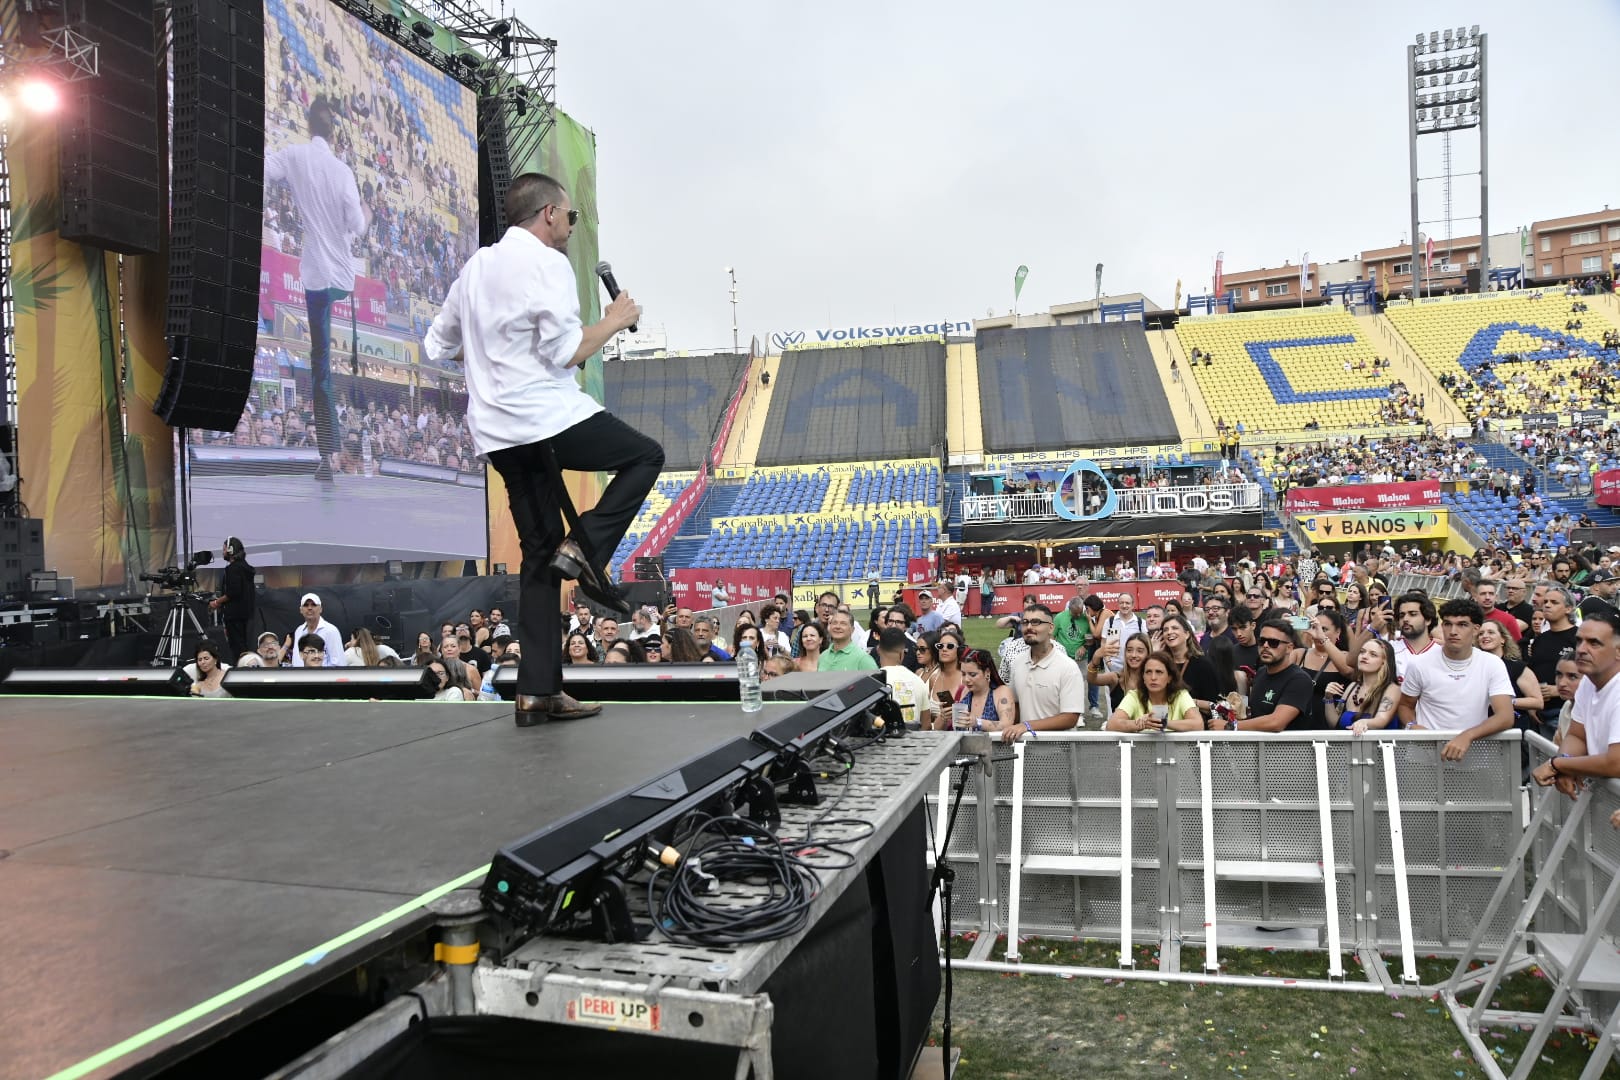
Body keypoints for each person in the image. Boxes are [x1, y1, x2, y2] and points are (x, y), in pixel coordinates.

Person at [426, 171, 659, 727]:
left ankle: (536, 692)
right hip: (547, 419)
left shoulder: (476, 267)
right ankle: (585, 548)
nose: (573, 227)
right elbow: (562, 354)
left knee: (537, 559)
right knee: (645, 456)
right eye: (571, 217)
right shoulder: (547, 264)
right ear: (549, 214)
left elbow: (438, 344)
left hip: (498, 433)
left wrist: (489, 361)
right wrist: (614, 320)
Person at [265, 96, 367, 484]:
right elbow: (356, 225)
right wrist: (363, 217)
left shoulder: (295, 155)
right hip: (342, 278)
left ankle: (328, 452)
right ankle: (346, 441)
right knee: (331, 360)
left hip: (315, 278)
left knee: (321, 361)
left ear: (309, 127)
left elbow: (267, 168)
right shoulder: (342, 171)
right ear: (334, 132)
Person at [1397, 598, 1515, 760]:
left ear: (1475, 629)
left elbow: (1505, 716)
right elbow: (1405, 705)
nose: (1453, 631)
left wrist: (1467, 736)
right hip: (1425, 756)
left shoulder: (1492, 664)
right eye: (1447, 624)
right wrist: (1412, 725)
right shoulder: (1419, 664)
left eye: (1462, 625)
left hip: (1473, 756)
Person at [1533, 610, 1620, 789]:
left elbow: (1616, 763)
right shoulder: (1588, 682)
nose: (1581, 649)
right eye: (1579, 640)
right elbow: (1576, 735)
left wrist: (1557, 765)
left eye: (1594, 643)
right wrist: (1565, 765)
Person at [1000, 604, 1085, 742]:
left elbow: (1070, 718)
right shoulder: (1017, 663)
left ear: (1051, 628)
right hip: (1024, 748)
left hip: (1059, 751)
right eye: (1025, 622)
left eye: (1036, 622)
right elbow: (1016, 704)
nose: (1029, 627)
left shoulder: (1068, 667)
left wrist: (1027, 726)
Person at [1234, 618, 1317, 732]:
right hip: (1258, 747)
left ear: (1289, 648)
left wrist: (1231, 726)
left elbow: (1276, 722)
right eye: (1262, 641)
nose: (1265, 646)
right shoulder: (1261, 673)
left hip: (1288, 748)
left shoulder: (1299, 680)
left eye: (1273, 643)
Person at [1106, 651, 1202, 733]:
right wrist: (1140, 724)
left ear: (1169, 677)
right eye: (1148, 672)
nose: (1153, 678)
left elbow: (1198, 725)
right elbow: (1111, 725)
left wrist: (1163, 723)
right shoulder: (1134, 696)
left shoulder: (1181, 695)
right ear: (1143, 677)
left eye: (1159, 672)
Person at [1323, 639, 1401, 734]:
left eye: (1373, 654)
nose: (1364, 656)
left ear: (1384, 662)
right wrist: (1328, 698)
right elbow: (1334, 724)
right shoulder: (1352, 687)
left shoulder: (1392, 689)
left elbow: (1382, 720)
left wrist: (1364, 722)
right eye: (1362, 652)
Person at [208, 536, 255, 660]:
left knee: (237, 648)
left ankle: (239, 672)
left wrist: (217, 602)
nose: (222, 552)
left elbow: (233, 592)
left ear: (230, 550)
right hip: (246, 615)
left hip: (234, 616)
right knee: (244, 646)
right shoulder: (246, 568)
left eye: (224, 549)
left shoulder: (233, 569)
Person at [875, 628, 930, 728]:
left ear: (878, 650)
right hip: (914, 741)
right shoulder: (918, 681)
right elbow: (926, 724)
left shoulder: (873, 682)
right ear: (902, 653)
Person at [953, 647, 1018, 731]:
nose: (966, 679)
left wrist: (978, 722)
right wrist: (943, 718)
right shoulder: (963, 691)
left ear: (987, 672)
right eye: (963, 674)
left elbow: (1006, 725)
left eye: (972, 674)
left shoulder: (1001, 692)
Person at [1088, 632, 1151, 712]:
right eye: (1129, 650)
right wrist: (1096, 657)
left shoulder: (1153, 680)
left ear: (1148, 653)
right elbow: (1092, 679)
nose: (1134, 655)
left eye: (1140, 651)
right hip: (1117, 723)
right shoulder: (1116, 678)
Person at [922, 626, 966, 728]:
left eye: (950, 646)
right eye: (940, 646)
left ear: (959, 650)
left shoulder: (965, 678)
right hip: (935, 733)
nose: (944, 649)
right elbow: (926, 714)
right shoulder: (934, 677)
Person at [287, 593, 345, 667]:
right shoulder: (299, 630)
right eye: (306, 605)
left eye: (313, 605)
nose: (309, 608)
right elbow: (296, 659)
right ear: (301, 610)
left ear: (320, 609)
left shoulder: (331, 631)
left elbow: (339, 663)